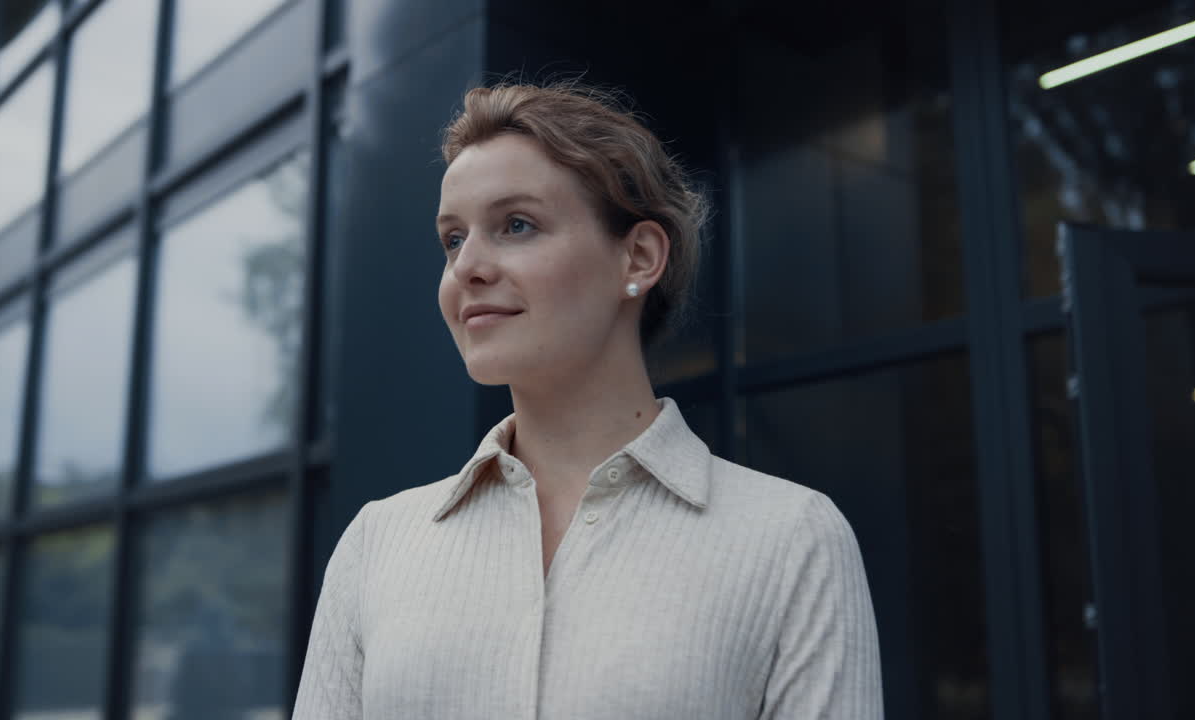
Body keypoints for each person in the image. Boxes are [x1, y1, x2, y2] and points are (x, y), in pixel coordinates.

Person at [292, 81, 883, 719]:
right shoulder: (377, 545)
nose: (467, 268)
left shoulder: (791, 541)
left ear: (639, 255)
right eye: (454, 239)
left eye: (516, 225)